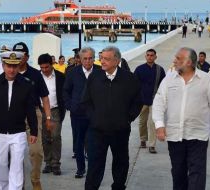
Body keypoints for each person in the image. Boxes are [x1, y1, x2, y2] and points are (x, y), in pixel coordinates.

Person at [153, 47, 210, 190]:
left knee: (197, 173)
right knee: (178, 173)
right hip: (175, 135)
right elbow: (159, 102)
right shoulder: (169, 79)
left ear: (189, 62)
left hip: (198, 135)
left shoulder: (206, 80)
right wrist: (159, 125)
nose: (174, 60)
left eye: (178, 58)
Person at [81, 46, 142, 190]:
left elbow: (138, 101)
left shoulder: (130, 78)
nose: (102, 61)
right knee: (95, 165)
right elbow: (86, 100)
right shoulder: (94, 77)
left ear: (117, 60)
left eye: (106, 59)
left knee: (121, 164)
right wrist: (94, 118)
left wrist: (127, 118)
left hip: (120, 131)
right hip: (97, 131)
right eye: (101, 58)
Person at [0, 51, 38, 190]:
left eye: (15, 66)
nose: (11, 70)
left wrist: (34, 131)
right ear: (3, 65)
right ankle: (4, 187)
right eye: (8, 66)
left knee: (17, 165)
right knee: (1, 165)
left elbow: (30, 110)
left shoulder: (26, 84)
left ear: (18, 66)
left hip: (18, 133)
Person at [13, 42, 53, 190]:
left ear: (27, 57)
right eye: (16, 55)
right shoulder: (10, 72)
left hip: (33, 115)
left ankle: (35, 180)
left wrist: (48, 118)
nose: (18, 58)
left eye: (21, 55)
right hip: (14, 115)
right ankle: (18, 184)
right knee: (15, 153)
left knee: (36, 151)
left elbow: (45, 98)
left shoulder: (36, 74)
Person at [63, 47, 100, 178]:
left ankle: (93, 170)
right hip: (77, 114)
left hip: (95, 114)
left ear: (94, 58)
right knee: (78, 143)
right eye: (85, 58)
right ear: (80, 59)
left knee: (94, 143)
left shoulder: (100, 72)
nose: (88, 61)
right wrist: (70, 106)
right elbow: (66, 91)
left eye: (90, 58)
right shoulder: (73, 72)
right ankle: (80, 168)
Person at [38, 54, 66, 176]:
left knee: (55, 136)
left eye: (46, 67)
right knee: (45, 137)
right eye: (42, 67)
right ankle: (48, 163)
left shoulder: (61, 77)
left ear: (52, 64)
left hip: (55, 110)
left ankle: (56, 164)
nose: (44, 70)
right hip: (41, 110)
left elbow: (65, 93)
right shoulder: (37, 77)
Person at [134, 49, 166, 154]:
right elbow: (134, 85)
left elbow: (163, 86)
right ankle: (143, 139)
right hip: (142, 101)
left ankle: (152, 145)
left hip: (155, 101)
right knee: (142, 122)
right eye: (148, 55)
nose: (150, 57)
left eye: (152, 55)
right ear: (145, 56)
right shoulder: (139, 69)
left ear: (155, 57)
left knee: (152, 123)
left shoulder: (160, 70)